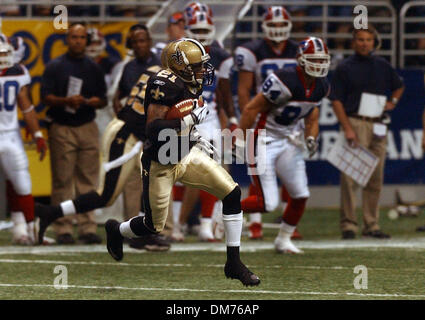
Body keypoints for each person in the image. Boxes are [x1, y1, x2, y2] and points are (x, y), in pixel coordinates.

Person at [104, 38, 260, 287]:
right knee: (152, 226)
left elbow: (180, 122)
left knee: (231, 193)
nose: (202, 71)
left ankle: (234, 263)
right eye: (197, 66)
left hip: (185, 153)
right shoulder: (162, 83)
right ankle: (117, 230)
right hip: (160, 163)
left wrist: (194, 137)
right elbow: (154, 129)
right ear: (179, 66)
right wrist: (189, 124)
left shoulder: (190, 83)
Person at [36, 26, 170, 251]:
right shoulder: (155, 72)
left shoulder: (154, 71)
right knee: (106, 193)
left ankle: (139, 232)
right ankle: (57, 217)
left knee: (150, 182)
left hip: (138, 132)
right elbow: (135, 107)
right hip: (130, 132)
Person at [237, 37, 330, 253]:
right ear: (300, 59)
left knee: (300, 194)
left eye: (321, 59)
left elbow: (312, 116)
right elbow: (251, 108)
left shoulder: (322, 86)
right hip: (264, 139)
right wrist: (241, 139)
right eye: (313, 58)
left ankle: (283, 239)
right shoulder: (285, 79)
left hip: (288, 139)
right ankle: (228, 208)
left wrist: (310, 138)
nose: (317, 63)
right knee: (267, 203)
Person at [330, 25, 404, 239]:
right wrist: (347, 127)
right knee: (350, 177)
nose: (364, 43)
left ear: (374, 42)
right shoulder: (345, 67)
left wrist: (393, 101)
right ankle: (349, 225)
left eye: (368, 40)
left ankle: (371, 225)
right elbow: (336, 100)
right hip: (356, 121)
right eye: (360, 39)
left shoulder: (382, 65)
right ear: (354, 42)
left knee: (375, 177)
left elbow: (399, 85)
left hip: (378, 123)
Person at [171, 2, 237, 242]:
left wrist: (231, 118)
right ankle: (177, 226)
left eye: (204, 29)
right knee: (177, 172)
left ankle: (205, 225)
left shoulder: (221, 56)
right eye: (195, 29)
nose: (200, 35)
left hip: (208, 121)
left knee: (210, 173)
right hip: (181, 118)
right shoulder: (176, 54)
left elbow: (224, 92)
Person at [234, 6, 299, 240]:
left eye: (282, 25)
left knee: (292, 174)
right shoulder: (252, 50)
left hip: (291, 118)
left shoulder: (299, 50)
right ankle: (255, 224)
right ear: (264, 27)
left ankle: (290, 222)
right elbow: (243, 90)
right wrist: (247, 118)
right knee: (260, 173)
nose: (278, 30)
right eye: (274, 25)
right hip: (264, 117)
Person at [40, 23, 107, 245]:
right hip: (62, 126)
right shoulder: (55, 66)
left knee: (88, 181)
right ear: (67, 40)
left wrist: (90, 102)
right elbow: (45, 98)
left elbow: (103, 99)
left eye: (81, 37)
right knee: (63, 181)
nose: (77, 41)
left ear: (86, 41)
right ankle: (64, 228)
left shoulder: (93, 68)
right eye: (73, 37)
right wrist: (66, 101)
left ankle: (88, 227)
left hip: (87, 125)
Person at [0, 38, 47, 244]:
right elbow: (26, 107)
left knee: (21, 182)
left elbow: (26, 106)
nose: (3, 58)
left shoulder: (17, 72)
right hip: (9, 135)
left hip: (10, 134)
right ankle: (28, 229)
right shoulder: (17, 72)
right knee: (19, 182)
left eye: (4, 53)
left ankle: (30, 230)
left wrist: (37, 134)